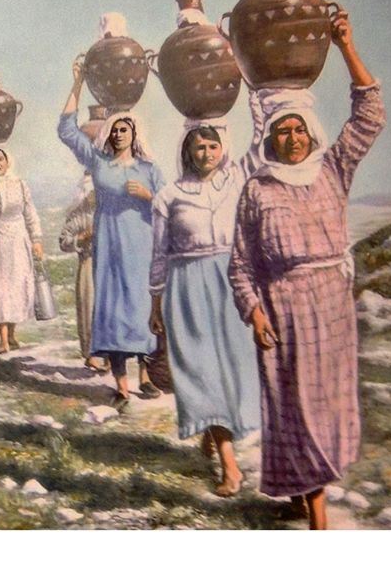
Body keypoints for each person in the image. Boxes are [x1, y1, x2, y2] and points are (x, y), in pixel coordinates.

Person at [228, 12, 386, 529]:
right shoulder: (257, 189)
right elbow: (241, 262)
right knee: (292, 408)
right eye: (282, 131)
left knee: (328, 408)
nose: (292, 138)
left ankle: (308, 492)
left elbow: (370, 116)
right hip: (282, 309)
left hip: (332, 309)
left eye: (299, 129)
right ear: (270, 139)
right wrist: (253, 310)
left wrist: (345, 45)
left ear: (310, 132)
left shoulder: (333, 169)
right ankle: (317, 516)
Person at [148, 99, 263, 496]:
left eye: (213, 146)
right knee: (202, 373)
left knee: (233, 370)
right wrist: (156, 303)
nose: (207, 153)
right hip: (186, 287)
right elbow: (159, 254)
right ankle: (230, 468)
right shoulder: (168, 195)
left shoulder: (238, 180)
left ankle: (214, 434)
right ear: (187, 149)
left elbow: (262, 142)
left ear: (223, 148)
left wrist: (254, 97)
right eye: (199, 146)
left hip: (231, 282)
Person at [58, 61, 165, 411]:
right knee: (113, 309)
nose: (119, 134)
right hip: (108, 245)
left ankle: (145, 377)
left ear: (135, 133)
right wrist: (77, 82)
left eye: (125, 129)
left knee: (140, 306)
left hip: (141, 245)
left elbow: (168, 207)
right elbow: (66, 129)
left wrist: (148, 197)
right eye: (114, 130)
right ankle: (121, 385)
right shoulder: (98, 163)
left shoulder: (149, 170)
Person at [0, 146, 44, 353]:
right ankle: (3, 340)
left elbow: (30, 213)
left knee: (16, 288)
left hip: (16, 242)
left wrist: (37, 239)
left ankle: (11, 336)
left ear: (7, 161)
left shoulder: (20, 184)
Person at [59, 183, 109, 373]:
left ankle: (110, 355)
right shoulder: (79, 215)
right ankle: (90, 355)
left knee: (108, 310)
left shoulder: (110, 211)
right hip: (88, 264)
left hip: (109, 266)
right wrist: (82, 237)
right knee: (88, 310)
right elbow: (63, 241)